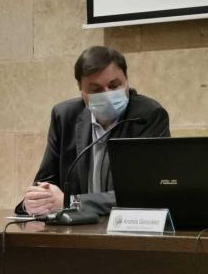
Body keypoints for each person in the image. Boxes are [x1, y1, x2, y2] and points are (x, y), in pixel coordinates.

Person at [15, 46, 170, 216]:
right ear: (81, 89)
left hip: (128, 229)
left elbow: (148, 191)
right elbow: (45, 181)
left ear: (126, 80)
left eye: (114, 85)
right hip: (75, 230)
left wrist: (71, 203)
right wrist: (32, 202)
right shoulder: (65, 116)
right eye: (95, 90)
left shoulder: (148, 115)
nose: (107, 94)